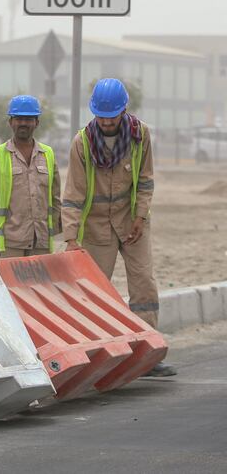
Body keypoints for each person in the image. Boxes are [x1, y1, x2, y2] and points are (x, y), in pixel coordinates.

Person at [62, 78, 175, 377]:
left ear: (123, 111)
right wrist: (71, 238)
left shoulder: (141, 135)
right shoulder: (82, 143)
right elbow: (72, 194)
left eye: (112, 117)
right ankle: (97, 352)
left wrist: (140, 217)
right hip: (97, 225)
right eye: (102, 116)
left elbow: (146, 180)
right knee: (97, 291)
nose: (107, 122)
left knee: (144, 285)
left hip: (132, 221)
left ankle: (148, 353)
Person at [0, 95, 61, 257]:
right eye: (19, 119)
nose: (23, 123)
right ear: (11, 122)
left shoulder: (48, 155)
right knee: (11, 284)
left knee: (39, 284)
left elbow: (56, 200)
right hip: (9, 245)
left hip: (41, 242)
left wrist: (58, 232)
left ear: (36, 123)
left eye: (29, 119)